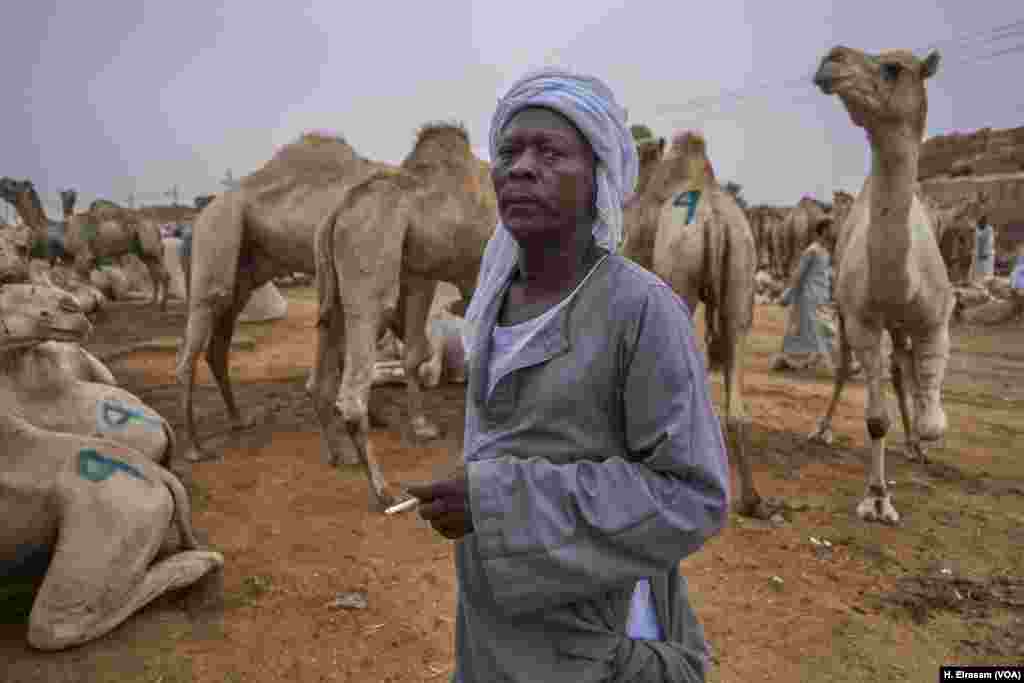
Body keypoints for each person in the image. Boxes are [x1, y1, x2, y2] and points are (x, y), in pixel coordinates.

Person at [404, 68, 729, 683]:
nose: (521, 168)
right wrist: (476, 497)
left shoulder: (640, 310)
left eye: (550, 152)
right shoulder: (491, 301)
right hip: (493, 627)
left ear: (597, 178)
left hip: (593, 637)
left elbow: (694, 496)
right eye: (509, 152)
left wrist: (498, 500)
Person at [771, 218, 835, 372]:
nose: (834, 231)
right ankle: (797, 361)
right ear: (824, 230)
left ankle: (792, 361)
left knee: (821, 330)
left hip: (821, 297)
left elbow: (823, 275)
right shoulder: (811, 251)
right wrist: (787, 295)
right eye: (831, 228)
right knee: (815, 330)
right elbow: (798, 275)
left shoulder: (825, 251)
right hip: (809, 297)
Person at [972, 215, 996, 284]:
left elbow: (989, 242)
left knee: (986, 273)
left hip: (986, 255)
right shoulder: (977, 229)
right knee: (977, 273)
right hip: (978, 254)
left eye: (984, 221)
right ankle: (977, 283)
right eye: (980, 222)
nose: (981, 223)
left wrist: (984, 252)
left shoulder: (989, 229)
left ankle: (986, 283)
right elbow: (976, 241)